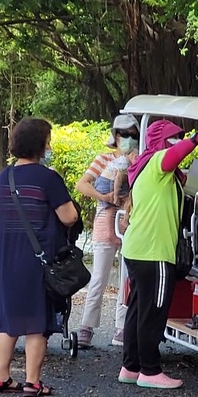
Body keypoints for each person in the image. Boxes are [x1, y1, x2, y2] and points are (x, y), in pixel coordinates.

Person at [119, 119, 198, 389]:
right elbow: (173, 155)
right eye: (174, 138)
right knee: (154, 310)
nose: (178, 142)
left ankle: (131, 366)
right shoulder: (157, 162)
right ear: (162, 141)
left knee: (138, 308)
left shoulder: (146, 168)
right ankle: (150, 370)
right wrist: (196, 140)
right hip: (155, 251)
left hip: (137, 249)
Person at [0, 118, 79, 397]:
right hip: (37, 260)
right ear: (39, 145)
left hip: (6, 259)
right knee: (37, 321)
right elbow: (69, 217)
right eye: (48, 141)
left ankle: (0, 376)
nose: (49, 146)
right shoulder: (48, 179)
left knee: (9, 318)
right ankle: (32, 381)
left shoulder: (5, 176)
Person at [75, 115, 139, 348]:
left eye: (133, 134)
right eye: (124, 134)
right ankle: (87, 325)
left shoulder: (139, 159)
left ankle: (122, 326)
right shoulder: (103, 159)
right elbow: (82, 184)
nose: (128, 138)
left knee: (127, 278)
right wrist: (103, 196)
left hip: (130, 222)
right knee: (99, 277)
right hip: (106, 220)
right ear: (115, 135)